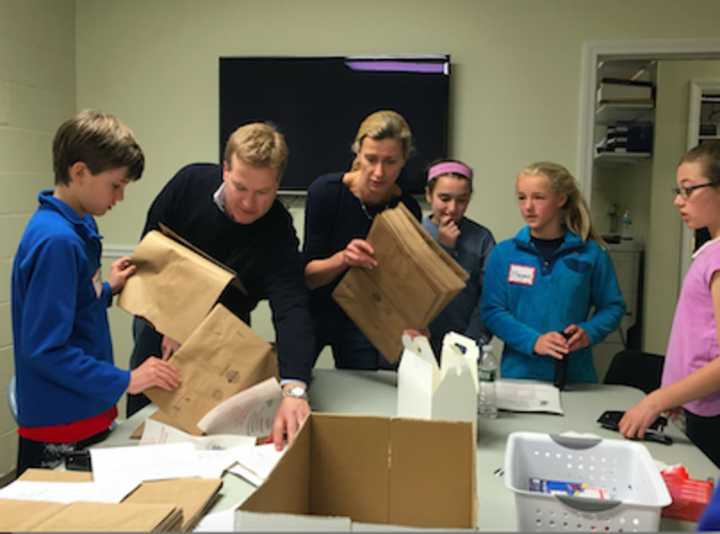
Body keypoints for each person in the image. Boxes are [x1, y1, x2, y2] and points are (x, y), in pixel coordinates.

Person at [11, 110, 181, 475]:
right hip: (61, 424)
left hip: (87, 410)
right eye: (115, 185)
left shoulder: (79, 225)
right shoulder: (56, 241)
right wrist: (128, 379)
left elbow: (70, 309)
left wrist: (106, 290)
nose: (119, 197)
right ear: (79, 172)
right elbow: (45, 350)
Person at [127, 122, 314, 449]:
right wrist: (175, 320)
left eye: (263, 193)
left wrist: (294, 389)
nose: (248, 203)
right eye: (240, 187)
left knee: (211, 440)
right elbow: (150, 251)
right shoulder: (189, 185)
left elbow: (292, 308)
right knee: (145, 432)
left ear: (277, 185)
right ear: (225, 170)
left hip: (224, 336)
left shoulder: (278, 231)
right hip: (164, 322)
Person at [619, 142, 720, 468]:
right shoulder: (710, 251)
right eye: (677, 190)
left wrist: (657, 400)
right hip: (697, 405)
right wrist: (679, 392)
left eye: (688, 190)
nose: (679, 201)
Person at [480, 161, 625, 383]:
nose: (528, 207)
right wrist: (534, 341)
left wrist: (589, 332)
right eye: (521, 197)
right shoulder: (504, 254)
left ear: (560, 199)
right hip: (520, 377)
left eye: (538, 197)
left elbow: (613, 307)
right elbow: (492, 311)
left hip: (576, 377)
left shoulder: (590, 254)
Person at [303, 110, 422, 369]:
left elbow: (399, 281)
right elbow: (308, 276)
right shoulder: (325, 193)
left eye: (390, 162)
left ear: (404, 161)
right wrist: (344, 258)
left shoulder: (406, 208)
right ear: (357, 154)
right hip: (314, 310)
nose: (379, 172)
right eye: (371, 159)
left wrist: (414, 321)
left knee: (364, 391)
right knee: (292, 383)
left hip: (364, 318)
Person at [422, 159, 495, 357]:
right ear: (429, 195)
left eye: (461, 200)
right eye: (444, 199)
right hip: (417, 341)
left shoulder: (482, 239)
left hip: (463, 344)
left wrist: (470, 343)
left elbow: (489, 297)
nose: (452, 208)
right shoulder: (414, 232)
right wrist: (444, 248)